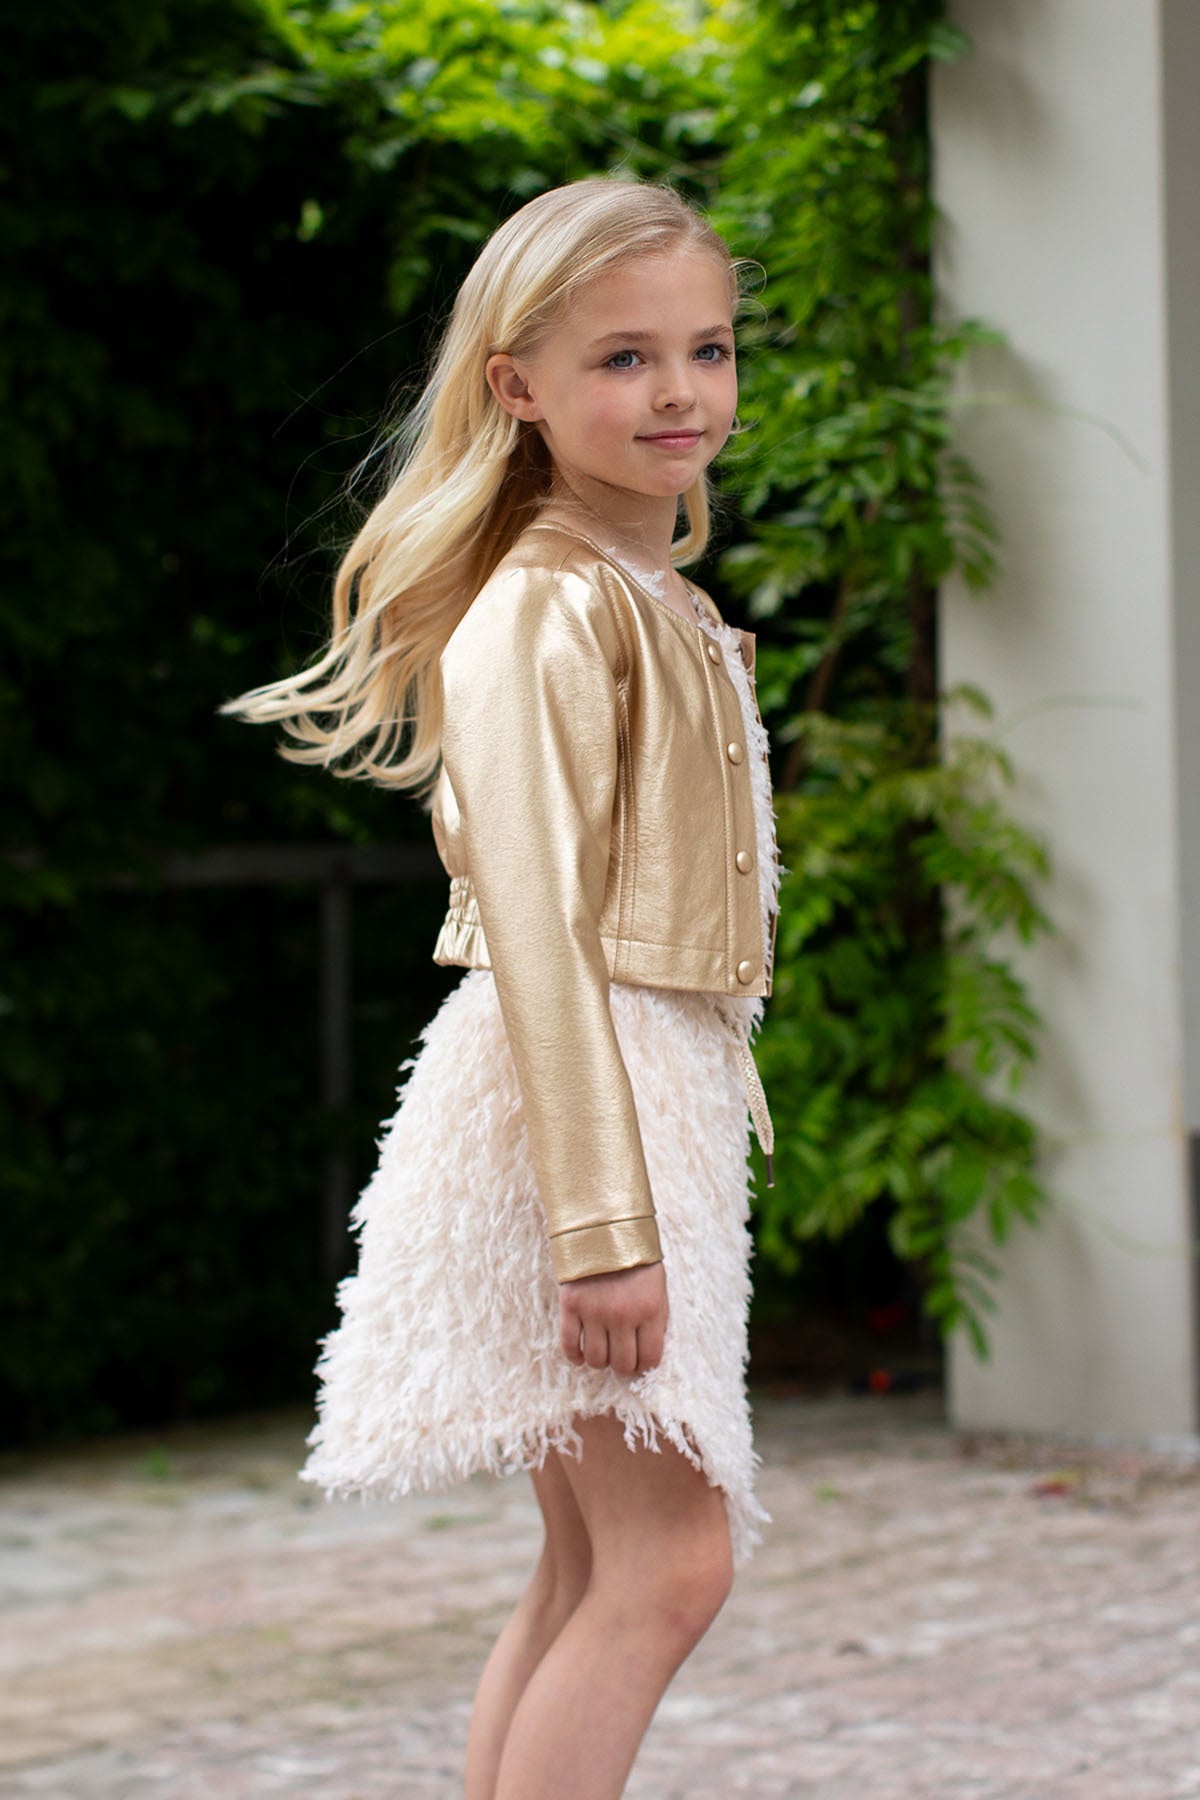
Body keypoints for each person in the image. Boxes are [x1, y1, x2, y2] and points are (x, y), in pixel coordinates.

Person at [223, 175, 780, 1800]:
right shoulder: (545, 604)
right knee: (667, 1567)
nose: (678, 392)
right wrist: (603, 1226)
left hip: (638, 1090)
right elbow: (537, 926)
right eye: (623, 358)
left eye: (707, 349)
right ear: (515, 386)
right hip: (587, 1104)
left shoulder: (649, 595)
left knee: (593, 1565)